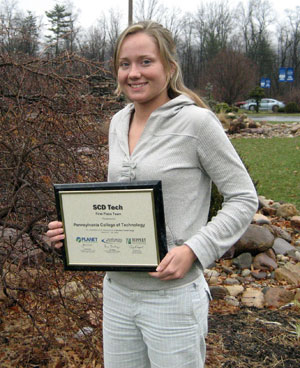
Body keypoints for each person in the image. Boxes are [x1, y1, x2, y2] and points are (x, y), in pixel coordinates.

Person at [46, 21, 258, 368]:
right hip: (117, 292)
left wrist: (194, 249)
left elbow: (243, 197)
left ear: (169, 67)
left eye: (146, 61)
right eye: (125, 64)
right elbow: (119, 205)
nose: (134, 73)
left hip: (172, 298)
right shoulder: (117, 123)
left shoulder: (197, 124)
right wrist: (76, 232)